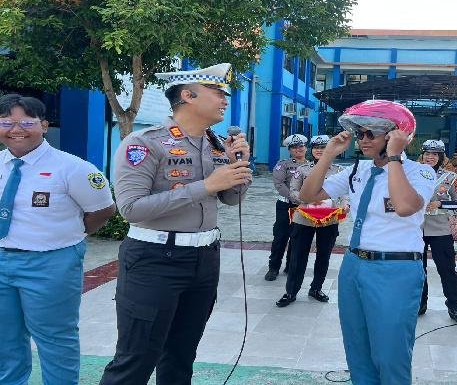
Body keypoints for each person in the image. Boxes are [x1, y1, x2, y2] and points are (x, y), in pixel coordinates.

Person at [99, 63, 252, 385]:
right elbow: (131, 208)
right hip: (154, 259)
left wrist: (238, 168)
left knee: (181, 356)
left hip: (204, 258)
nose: (225, 99)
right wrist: (205, 186)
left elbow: (231, 199)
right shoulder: (145, 142)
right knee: (136, 358)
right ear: (188, 96)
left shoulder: (216, 144)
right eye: (217, 92)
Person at [300, 99, 436, 384]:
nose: (363, 140)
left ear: (396, 134)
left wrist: (395, 157)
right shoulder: (357, 170)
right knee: (357, 349)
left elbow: (405, 207)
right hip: (354, 265)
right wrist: (328, 155)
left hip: (395, 269)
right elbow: (308, 195)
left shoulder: (420, 172)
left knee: (391, 354)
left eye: (370, 133)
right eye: (360, 133)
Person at [0, 94, 115, 385]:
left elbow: (103, 210)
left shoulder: (73, 168)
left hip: (51, 263)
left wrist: (72, 234)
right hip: (2, 262)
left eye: (27, 122)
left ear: (44, 125)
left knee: (54, 337)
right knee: (5, 337)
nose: (16, 129)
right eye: (6, 122)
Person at [276, 135, 348, 307]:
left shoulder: (339, 170)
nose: (319, 150)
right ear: (312, 150)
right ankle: (291, 291)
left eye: (323, 147)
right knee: (298, 256)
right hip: (304, 218)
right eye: (316, 147)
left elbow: (345, 192)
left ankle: (316, 288)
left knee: (324, 255)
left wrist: (345, 204)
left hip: (329, 219)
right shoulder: (302, 170)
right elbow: (293, 191)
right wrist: (307, 199)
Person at [418, 139, 457, 326]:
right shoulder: (412, 174)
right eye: (427, 153)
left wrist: (440, 203)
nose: (430, 157)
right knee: (417, 270)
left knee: (447, 270)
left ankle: (455, 307)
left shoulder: (451, 177)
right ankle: (420, 304)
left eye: (435, 154)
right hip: (416, 230)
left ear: (441, 157)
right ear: (422, 155)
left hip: (441, 230)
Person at [266, 133, 309, 281]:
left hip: (303, 207)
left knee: (297, 237)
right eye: (294, 147)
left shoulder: (311, 165)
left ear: (306, 147)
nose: (299, 149)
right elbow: (279, 184)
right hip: (285, 205)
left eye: (301, 146)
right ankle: (273, 268)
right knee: (280, 237)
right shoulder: (283, 164)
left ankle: (291, 266)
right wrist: (295, 198)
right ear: (289, 150)